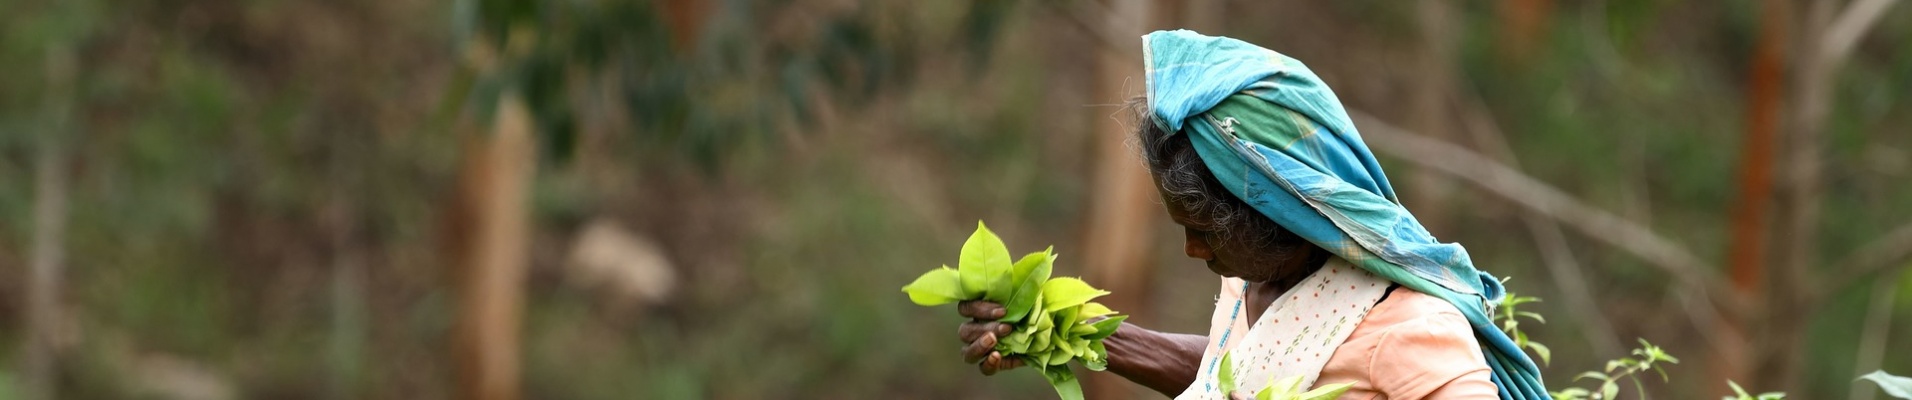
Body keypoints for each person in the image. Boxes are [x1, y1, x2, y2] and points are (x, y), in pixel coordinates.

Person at [953, 31, 1549, 399]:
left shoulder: (1412, 330)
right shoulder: (1253, 281)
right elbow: (1232, 374)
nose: (1193, 251)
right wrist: (1061, 330)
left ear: (1285, 215)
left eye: (1207, 231)